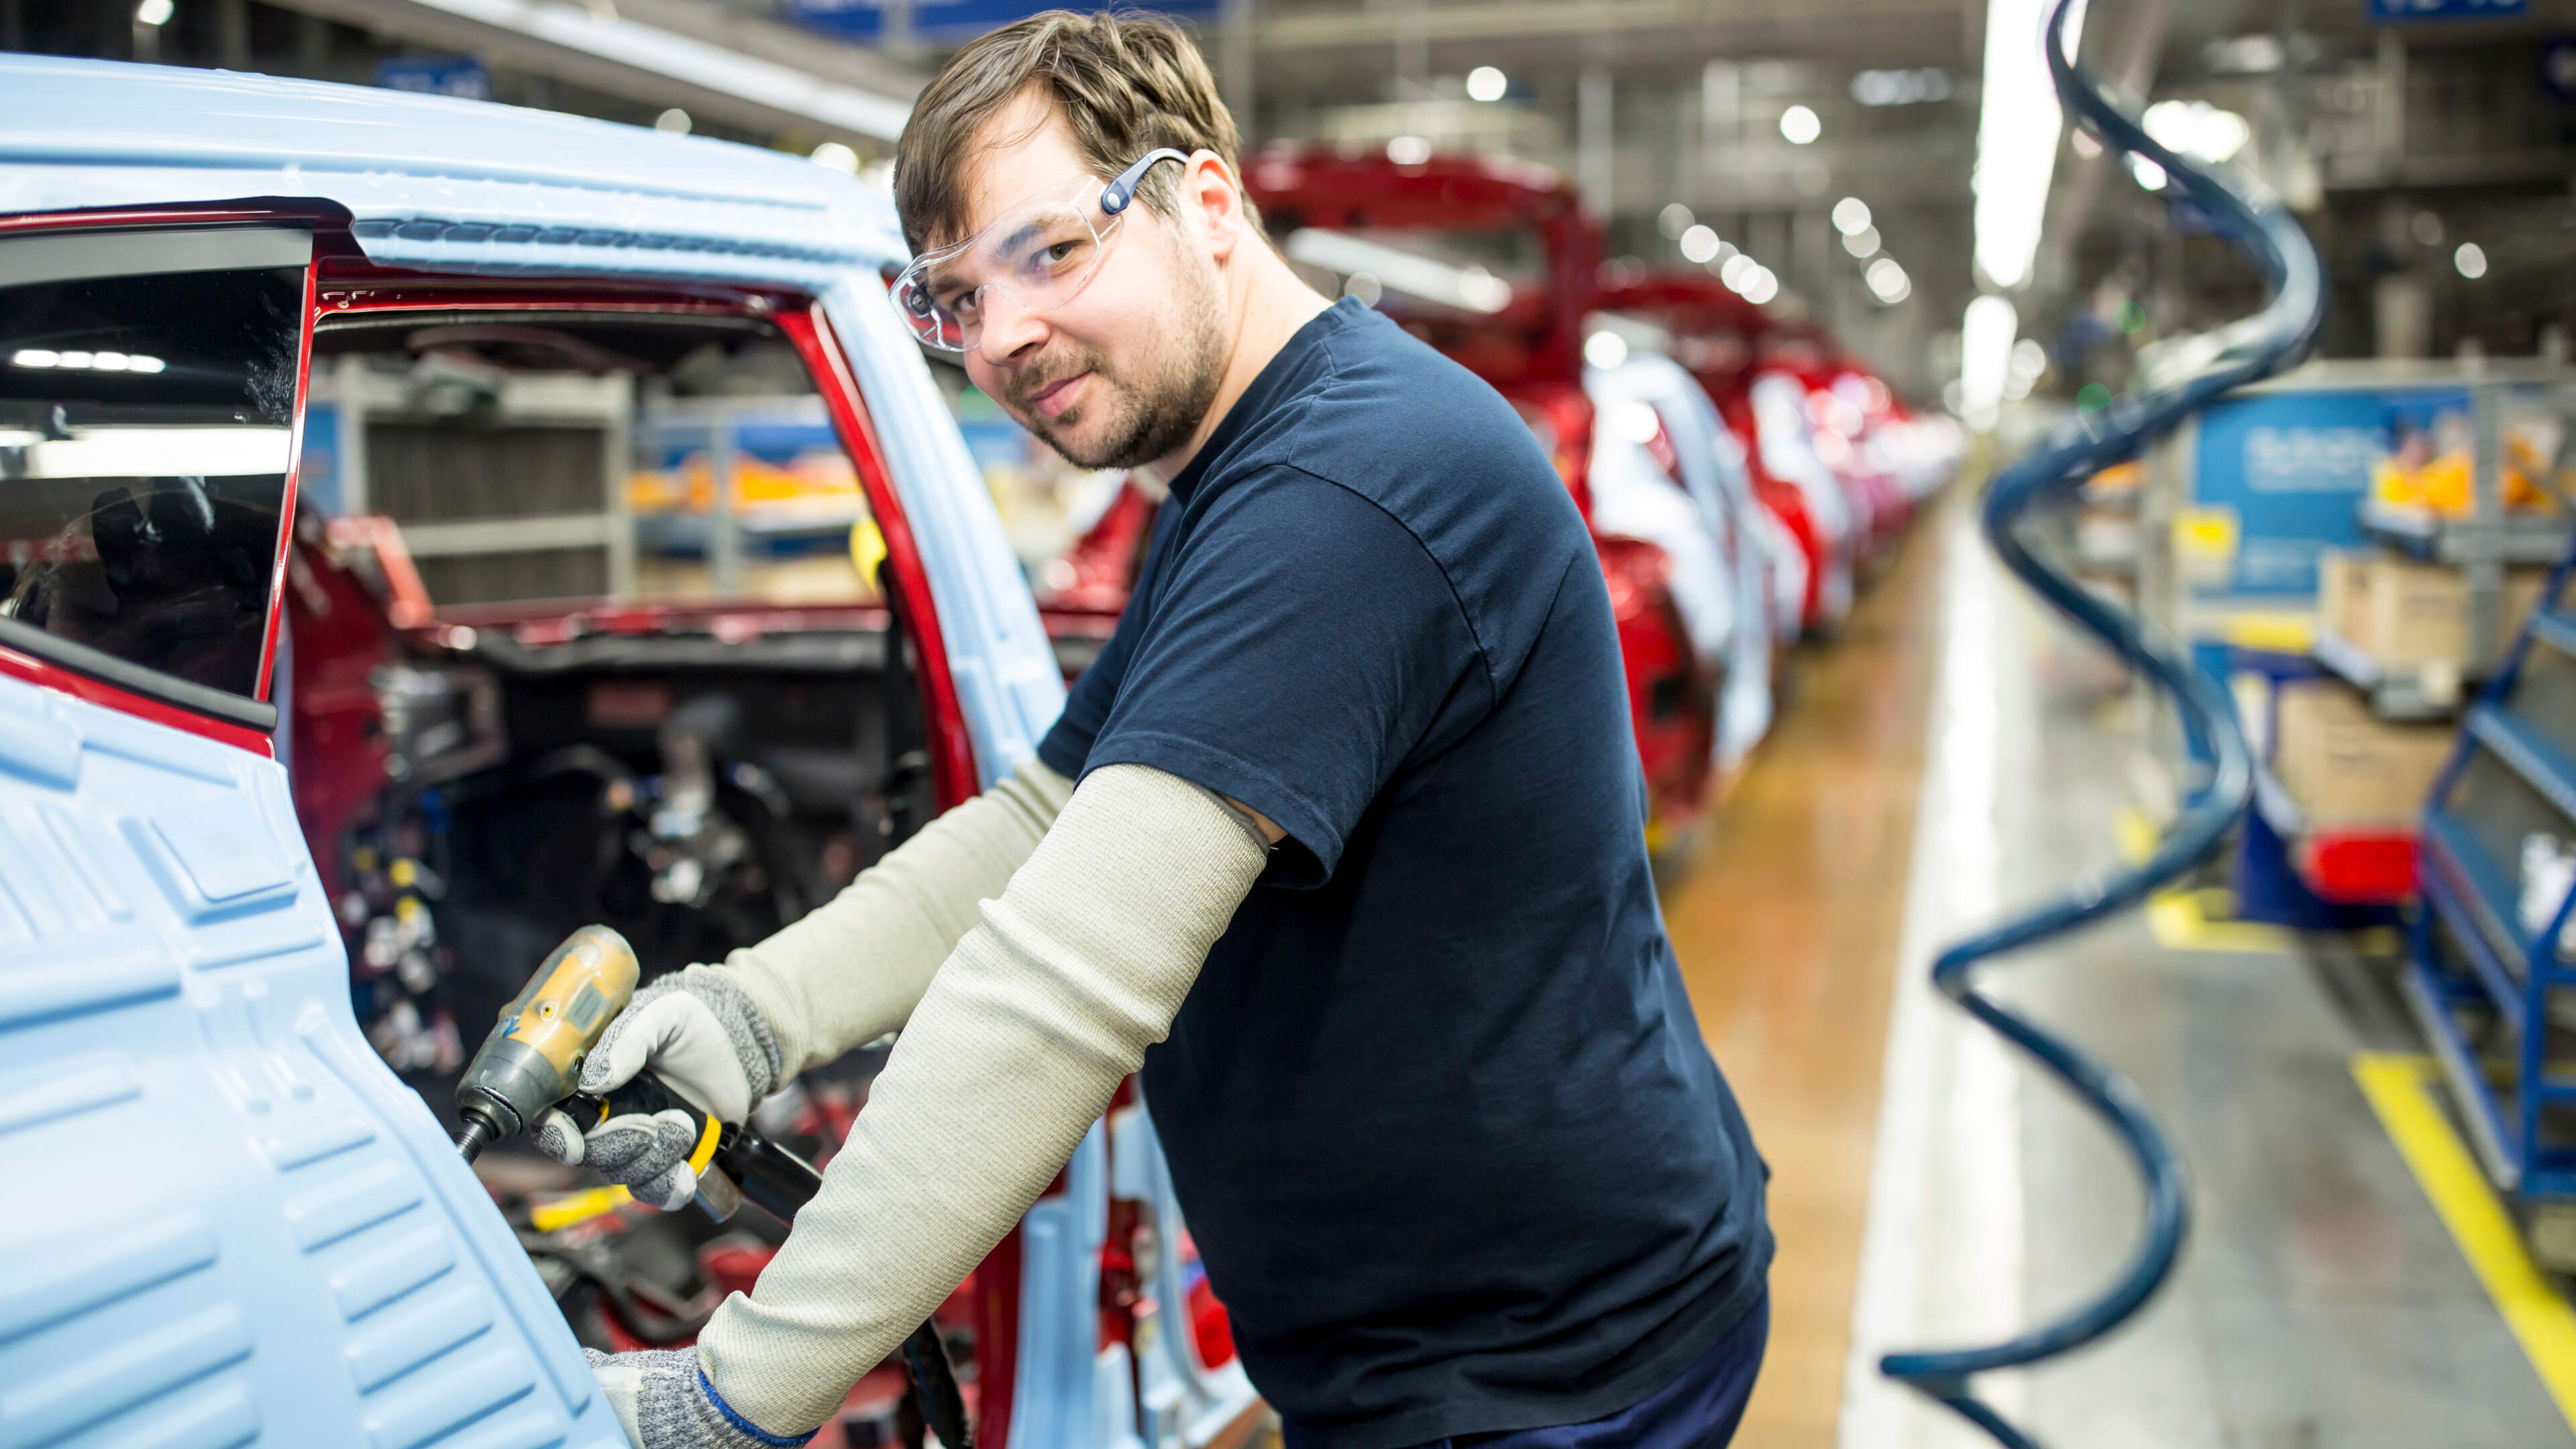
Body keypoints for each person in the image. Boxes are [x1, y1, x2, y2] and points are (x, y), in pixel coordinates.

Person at [559, 13, 1772, 1448]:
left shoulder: (1350, 494)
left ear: (1205, 205)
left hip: (1545, 1372)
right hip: (1442, 1344)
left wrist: (735, 1390)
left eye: (1050, 252)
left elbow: (1066, 979)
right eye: (956, 297)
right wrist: (756, 1013)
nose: (1000, 335)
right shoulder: (1231, 480)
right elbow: (1040, 823)